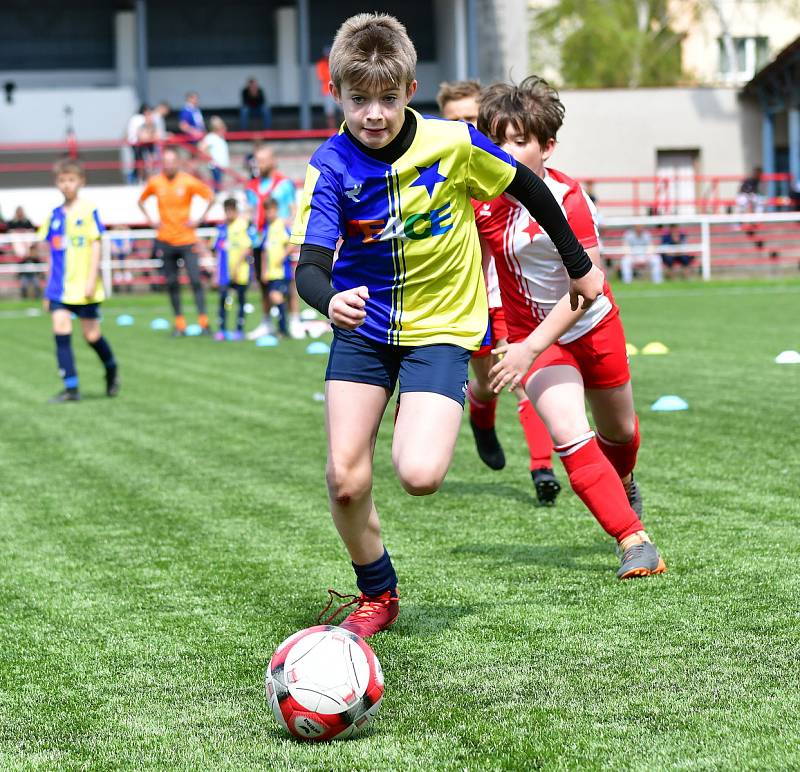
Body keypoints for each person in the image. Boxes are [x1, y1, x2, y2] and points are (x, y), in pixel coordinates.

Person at [291, 13, 604, 639]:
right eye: (359, 101)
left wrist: (577, 263)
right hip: (364, 331)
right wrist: (329, 301)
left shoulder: (452, 144)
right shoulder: (329, 167)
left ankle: (469, 410)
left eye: (386, 98)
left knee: (420, 476)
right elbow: (309, 268)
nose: (373, 114)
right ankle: (377, 594)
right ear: (338, 96)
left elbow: (528, 189)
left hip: (439, 331)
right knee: (345, 481)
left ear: (409, 90)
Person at [475, 76, 666, 580]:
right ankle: (634, 539)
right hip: (534, 341)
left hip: (591, 326)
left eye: (520, 141)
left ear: (548, 146)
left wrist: (528, 346)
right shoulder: (482, 203)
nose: (507, 153)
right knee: (568, 433)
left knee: (620, 434)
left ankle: (622, 479)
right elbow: (470, 263)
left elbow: (588, 288)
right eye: (497, 141)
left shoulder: (570, 200)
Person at [37, 160, 120, 403]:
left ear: (81, 182)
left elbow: (96, 245)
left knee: (91, 336)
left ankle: (111, 368)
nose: (66, 185)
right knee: (60, 331)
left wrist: (91, 280)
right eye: (62, 180)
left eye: (71, 180)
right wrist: (47, 288)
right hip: (59, 289)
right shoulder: (53, 216)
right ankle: (71, 387)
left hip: (84, 287)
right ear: (57, 184)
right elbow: (51, 255)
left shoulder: (88, 210)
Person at [138, 147, 215, 335]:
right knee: (172, 283)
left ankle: (203, 322)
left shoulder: (187, 181)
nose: (169, 165)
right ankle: (179, 324)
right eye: (166, 162)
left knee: (196, 281)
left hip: (187, 240)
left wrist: (199, 219)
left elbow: (210, 197)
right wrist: (151, 220)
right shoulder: (156, 182)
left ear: (178, 163)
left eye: (172, 161)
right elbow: (141, 201)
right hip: (165, 240)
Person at [244, 145, 299, 339]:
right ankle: (266, 322)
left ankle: (293, 321)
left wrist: (289, 228)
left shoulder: (285, 184)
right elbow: (250, 212)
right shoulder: (251, 187)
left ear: (273, 161)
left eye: (263, 160)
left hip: (281, 241)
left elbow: (294, 210)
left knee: (288, 283)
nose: (259, 164)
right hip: (260, 241)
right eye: (257, 160)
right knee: (263, 283)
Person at [213, 198, 253, 341]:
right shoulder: (222, 228)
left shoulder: (241, 226)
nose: (229, 213)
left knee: (240, 300)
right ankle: (222, 329)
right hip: (225, 273)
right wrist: (215, 273)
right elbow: (218, 251)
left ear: (236, 211)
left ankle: (239, 329)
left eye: (232, 210)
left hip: (240, 272)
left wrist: (236, 267)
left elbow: (247, 248)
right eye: (227, 210)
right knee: (225, 299)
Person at [260, 197, 293, 336]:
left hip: (281, 271)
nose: (269, 213)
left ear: (277, 210)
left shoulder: (282, 225)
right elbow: (264, 251)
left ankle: (284, 328)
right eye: (267, 211)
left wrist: (283, 256)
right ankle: (281, 328)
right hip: (271, 273)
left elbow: (292, 243)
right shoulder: (267, 229)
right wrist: (263, 270)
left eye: (272, 210)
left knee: (276, 297)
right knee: (274, 298)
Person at [7, 206, 40, 299]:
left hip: (31, 266)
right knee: (24, 281)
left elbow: (33, 230)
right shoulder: (12, 222)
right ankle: (25, 294)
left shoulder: (27, 222)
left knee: (34, 280)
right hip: (23, 263)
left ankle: (35, 294)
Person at [199, 116, 230, 192]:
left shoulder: (220, 137)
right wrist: (210, 156)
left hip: (221, 166)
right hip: (215, 166)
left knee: (219, 185)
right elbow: (201, 147)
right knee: (217, 185)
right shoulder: (211, 137)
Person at [315, 48, 339, 129]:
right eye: (327, 54)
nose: (328, 56)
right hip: (327, 91)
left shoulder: (337, 63)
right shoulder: (321, 64)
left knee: (346, 112)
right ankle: (331, 133)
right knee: (330, 114)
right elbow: (323, 77)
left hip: (339, 91)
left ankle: (345, 132)